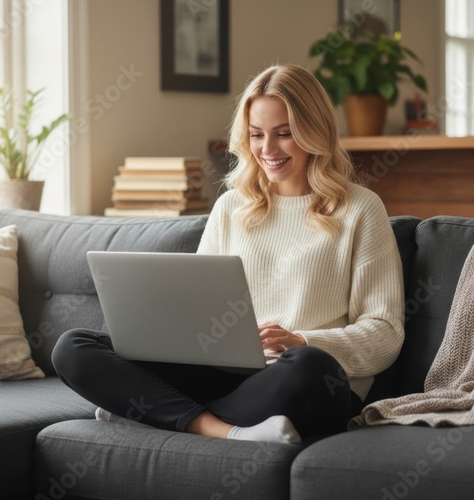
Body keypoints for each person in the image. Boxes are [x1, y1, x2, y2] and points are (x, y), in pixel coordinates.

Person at [52, 63, 404, 444]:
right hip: (224, 378)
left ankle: (152, 413)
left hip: (301, 381)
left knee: (310, 366)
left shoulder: (360, 209)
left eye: (284, 134)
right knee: (74, 346)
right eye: (256, 135)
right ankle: (224, 430)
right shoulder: (231, 207)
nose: (267, 149)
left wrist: (302, 340)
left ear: (315, 132)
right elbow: (195, 310)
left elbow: (385, 334)